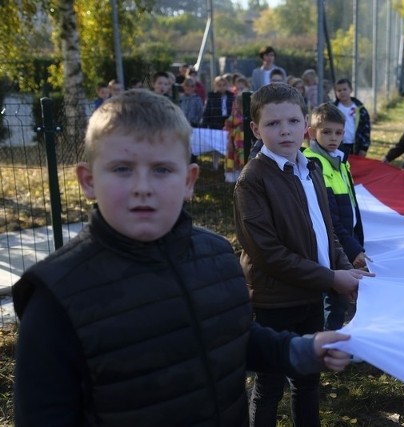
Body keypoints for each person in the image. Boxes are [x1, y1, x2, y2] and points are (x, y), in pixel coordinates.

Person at [12, 89, 354, 426]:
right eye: (121, 169)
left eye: (162, 170)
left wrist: (301, 350)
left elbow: (230, 337)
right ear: (88, 181)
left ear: (189, 181)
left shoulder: (218, 259)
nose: (142, 187)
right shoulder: (55, 297)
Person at [234, 83, 374, 427]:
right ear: (256, 129)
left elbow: (327, 233)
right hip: (275, 302)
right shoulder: (252, 180)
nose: (284, 130)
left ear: (305, 127)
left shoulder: (311, 169)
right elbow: (268, 254)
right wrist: (331, 278)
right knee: (269, 384)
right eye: (272, 124)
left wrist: (345, 269)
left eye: (293, 121)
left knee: (308, 380)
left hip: (312, 296)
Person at [304, 103, 367, 331]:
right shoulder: (314, 163)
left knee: (342, 296)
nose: (333, 138)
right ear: (312, 133)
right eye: (326, 132)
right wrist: (352, 248)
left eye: (338, 132)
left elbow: (351, 204)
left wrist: (357, 239)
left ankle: (336, 336)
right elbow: (329, 216)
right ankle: (329, 343)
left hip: (343, 240)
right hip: (330, 242)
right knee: (335, 298)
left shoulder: (339, 160)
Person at [333, 78, 371, 161]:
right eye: (339, 90)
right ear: (335, 92)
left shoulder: (360, 109)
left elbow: (366, 129)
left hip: (356, 145)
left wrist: (364, 148)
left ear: (351, 90)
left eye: (344, 89)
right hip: (338, 145)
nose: (342, 92)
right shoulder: (333, 109)